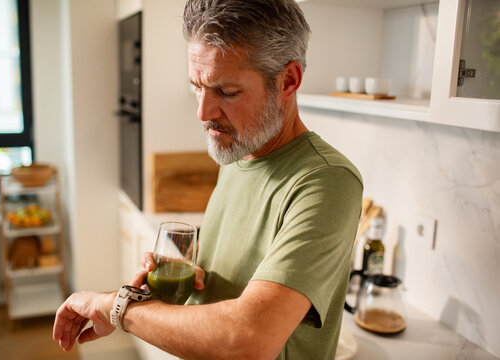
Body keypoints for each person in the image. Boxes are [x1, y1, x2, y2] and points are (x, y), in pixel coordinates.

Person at [53, 0, 363, 359]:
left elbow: (249, 338)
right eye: (197, 87)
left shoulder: (326, 181)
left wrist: (118, 307)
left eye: (226, 92)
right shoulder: (238, 151)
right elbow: (228, 279)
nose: (203, 112)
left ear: (288, 81)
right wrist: (180, 281)